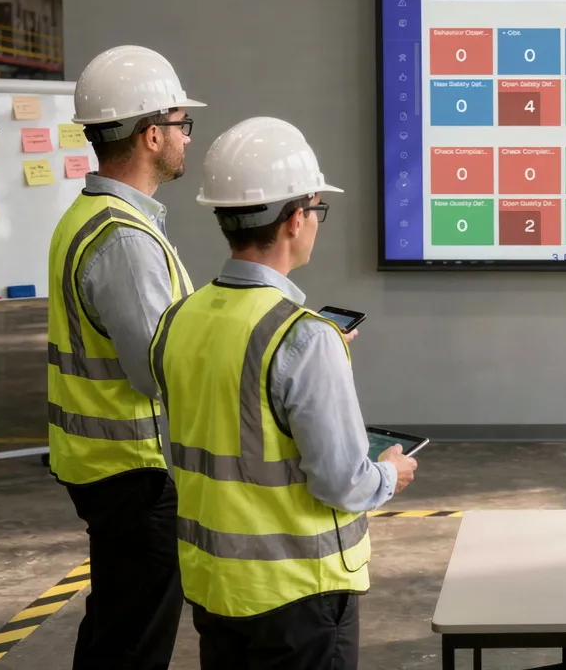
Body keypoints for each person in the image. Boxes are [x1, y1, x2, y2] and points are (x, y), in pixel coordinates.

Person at [150, 117, 418, 669]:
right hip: (300, 596)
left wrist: (314, 351)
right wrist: (389, 473)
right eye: (317, 210)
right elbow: (343, 481)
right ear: (297, 219)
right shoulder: (302, 338)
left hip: (217, 588)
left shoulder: (180, 318)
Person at [46, 45, 201, 670]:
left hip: (105, 464)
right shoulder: (123, 238)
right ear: (151, 133)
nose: (187, 139)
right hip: (135, 469)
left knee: (117, 624)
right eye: (182, 126)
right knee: (134, 641)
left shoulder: (88, 217)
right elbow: (155, 370)